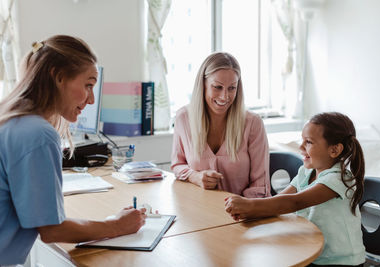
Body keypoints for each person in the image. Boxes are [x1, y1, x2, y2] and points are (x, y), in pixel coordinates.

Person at [0, 35, 146, 265]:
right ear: (58, 77)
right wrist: (117, 225)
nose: (91, 99)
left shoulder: (11, 118)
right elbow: (52, 230)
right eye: (88, 84)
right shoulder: (37, 134)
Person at [225, 112, 366, 266]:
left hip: (341, 262)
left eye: (309, 142)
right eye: (302, 140)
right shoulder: (306, 172)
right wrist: (251, 211)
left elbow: (294, 202)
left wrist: (250, 205)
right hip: (312, 253)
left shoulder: (338, 179)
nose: (300, 147)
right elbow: (279, 201)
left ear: (334, 150)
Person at [171, 52, 271, 198]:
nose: (225, 96)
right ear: (203, 84)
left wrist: (244, 209)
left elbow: (260, 185)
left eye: (232, 88)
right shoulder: (183, 118)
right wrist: (195, 177)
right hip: (199, 210)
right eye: (217, 87)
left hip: (245, 213)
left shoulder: (253, 123)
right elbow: (177, 165)